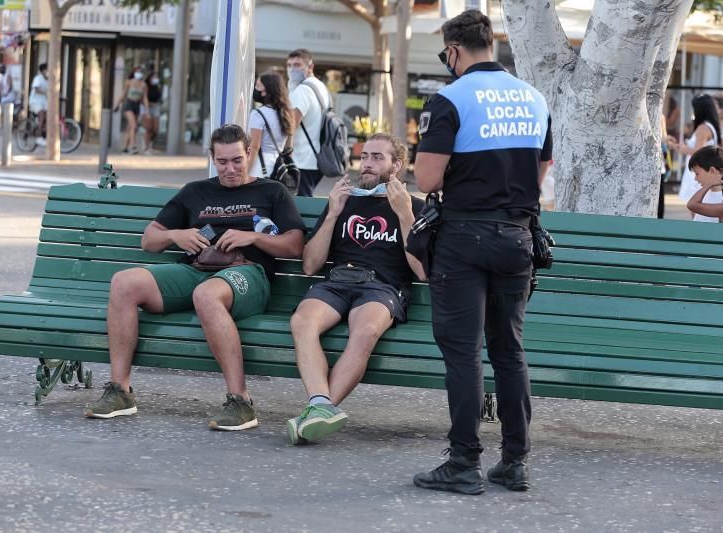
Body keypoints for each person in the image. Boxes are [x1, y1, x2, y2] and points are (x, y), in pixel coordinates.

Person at [84, 124, 307, 430]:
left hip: (248, 273)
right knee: (124, 283)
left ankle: (241, 402)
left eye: (237, 161)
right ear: (212, 158)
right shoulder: (195, 191)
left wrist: (252, 239)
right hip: (195, 269)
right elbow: (148, 241)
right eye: (223, 161)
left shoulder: (272, 191)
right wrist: (178, 235)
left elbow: (295, 245)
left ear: (249, 153)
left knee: (207, 295)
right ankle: (120, 391)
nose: (230, 169)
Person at [412, 10, 552, 495]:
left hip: (464, 238)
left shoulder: (450, 99)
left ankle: (464, 463)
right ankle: (515, 462)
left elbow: (427, 179)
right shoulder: (533, 97)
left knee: (463, 353)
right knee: (509, 351)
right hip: (517, 237)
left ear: (454, 50)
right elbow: (542, 166)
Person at [287, 133, 425, 445]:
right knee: (302, 321)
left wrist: (404, 214)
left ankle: (316, 413)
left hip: (383, 287)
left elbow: (422, 270)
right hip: (338, 281)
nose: (367, 164)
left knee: (364, 330)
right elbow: (309, 266)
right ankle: (321, 407)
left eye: (377, 157)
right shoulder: (344, 201)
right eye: (364, 157)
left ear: (397, 165)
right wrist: (333, 212)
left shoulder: (414, 205)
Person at [287, 48, 330, 196]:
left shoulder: (303, 90)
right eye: (290, 65)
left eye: (297, 65)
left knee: (300, 206)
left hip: (301, 159)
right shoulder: (321, 87)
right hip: (315, 158)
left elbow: (290, 125)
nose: (292, 69)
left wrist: (285, 152)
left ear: (310, 66)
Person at [667, 94, 721, 207]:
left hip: (699, 169)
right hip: (701, 168)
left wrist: (679, 147)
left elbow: (697, 150)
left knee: (695, 205)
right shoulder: (710, 126)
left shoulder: (703, 128)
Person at [245, 70, 294, 180]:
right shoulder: (286, 113)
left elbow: (254, 147)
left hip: (259, 168)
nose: (255, 89)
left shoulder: (258, 114)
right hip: (279, 167)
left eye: (258, 86)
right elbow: (289, 148)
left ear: (266, 91)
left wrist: (245, 172)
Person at [685, 146, 723, 223]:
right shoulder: (702, 193)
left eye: (697, 173)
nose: (695, 178)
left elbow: (691, 205)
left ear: (712, 171)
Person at [115, 66, 148, 154]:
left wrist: (146, 110)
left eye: (140, 72)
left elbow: (144, 98)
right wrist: (117, 104)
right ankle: (133, 146)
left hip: (137, 105)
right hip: (129, 104)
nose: (139, 73)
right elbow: (123, 94)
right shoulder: (129, 82)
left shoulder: (143, 85)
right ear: (134, 73)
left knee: (130, 127)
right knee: (134, 126)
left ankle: (126, 147)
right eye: (137, 72)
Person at [141, 71, 162, 155]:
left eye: (156, 77)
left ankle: (149, 142)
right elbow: (144, 98)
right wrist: (147, 110)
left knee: (155, 129)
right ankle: (147, 147)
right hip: (147, 107)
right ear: (150, 78)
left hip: (156, 107)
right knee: (149, 128)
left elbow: (159, 98)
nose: (155, 79)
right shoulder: (145, 86)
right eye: (154, 77)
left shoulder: (157, 87)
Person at [29, 63, 49, 146]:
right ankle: (39, 137)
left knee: (48, 117)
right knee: (41, 116)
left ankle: (44, 134)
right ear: (43, 70)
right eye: (47, 69)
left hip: (44, 102)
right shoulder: (38, 78)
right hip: (35, 102)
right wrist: (47, 92)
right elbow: (36, 89)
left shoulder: (49, 80)